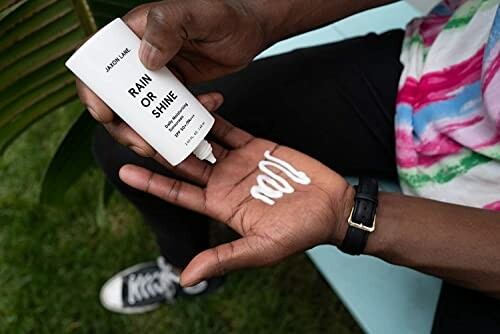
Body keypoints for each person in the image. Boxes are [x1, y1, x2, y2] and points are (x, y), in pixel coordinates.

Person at [75, 0, 500, 331]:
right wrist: (252, 16)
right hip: (440, 79)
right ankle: (182, 265)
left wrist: (350, 216)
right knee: (132, 149)